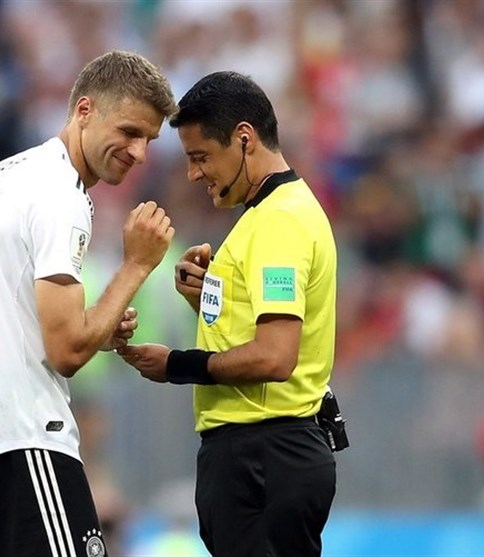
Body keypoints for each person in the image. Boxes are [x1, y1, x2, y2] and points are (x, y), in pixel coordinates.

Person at [0, 50, 176, 557]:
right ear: (84, 110)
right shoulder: (60, 193)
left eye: (148, 139)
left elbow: (14, 312)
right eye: (129, 131)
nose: (139, 152)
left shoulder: (0, 177)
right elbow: (67, 351)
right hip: (21, 436)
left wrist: (98, 324)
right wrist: (136, 265)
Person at [118, 71, 341, 557]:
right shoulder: (267, 215)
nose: (194, 174)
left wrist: (177, 365)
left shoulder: (279, 221)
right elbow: (262, 333)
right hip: (264, 454)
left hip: (264, 455)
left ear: (244, 138)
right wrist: (209, 300)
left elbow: (275, 357)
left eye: (201, 157)